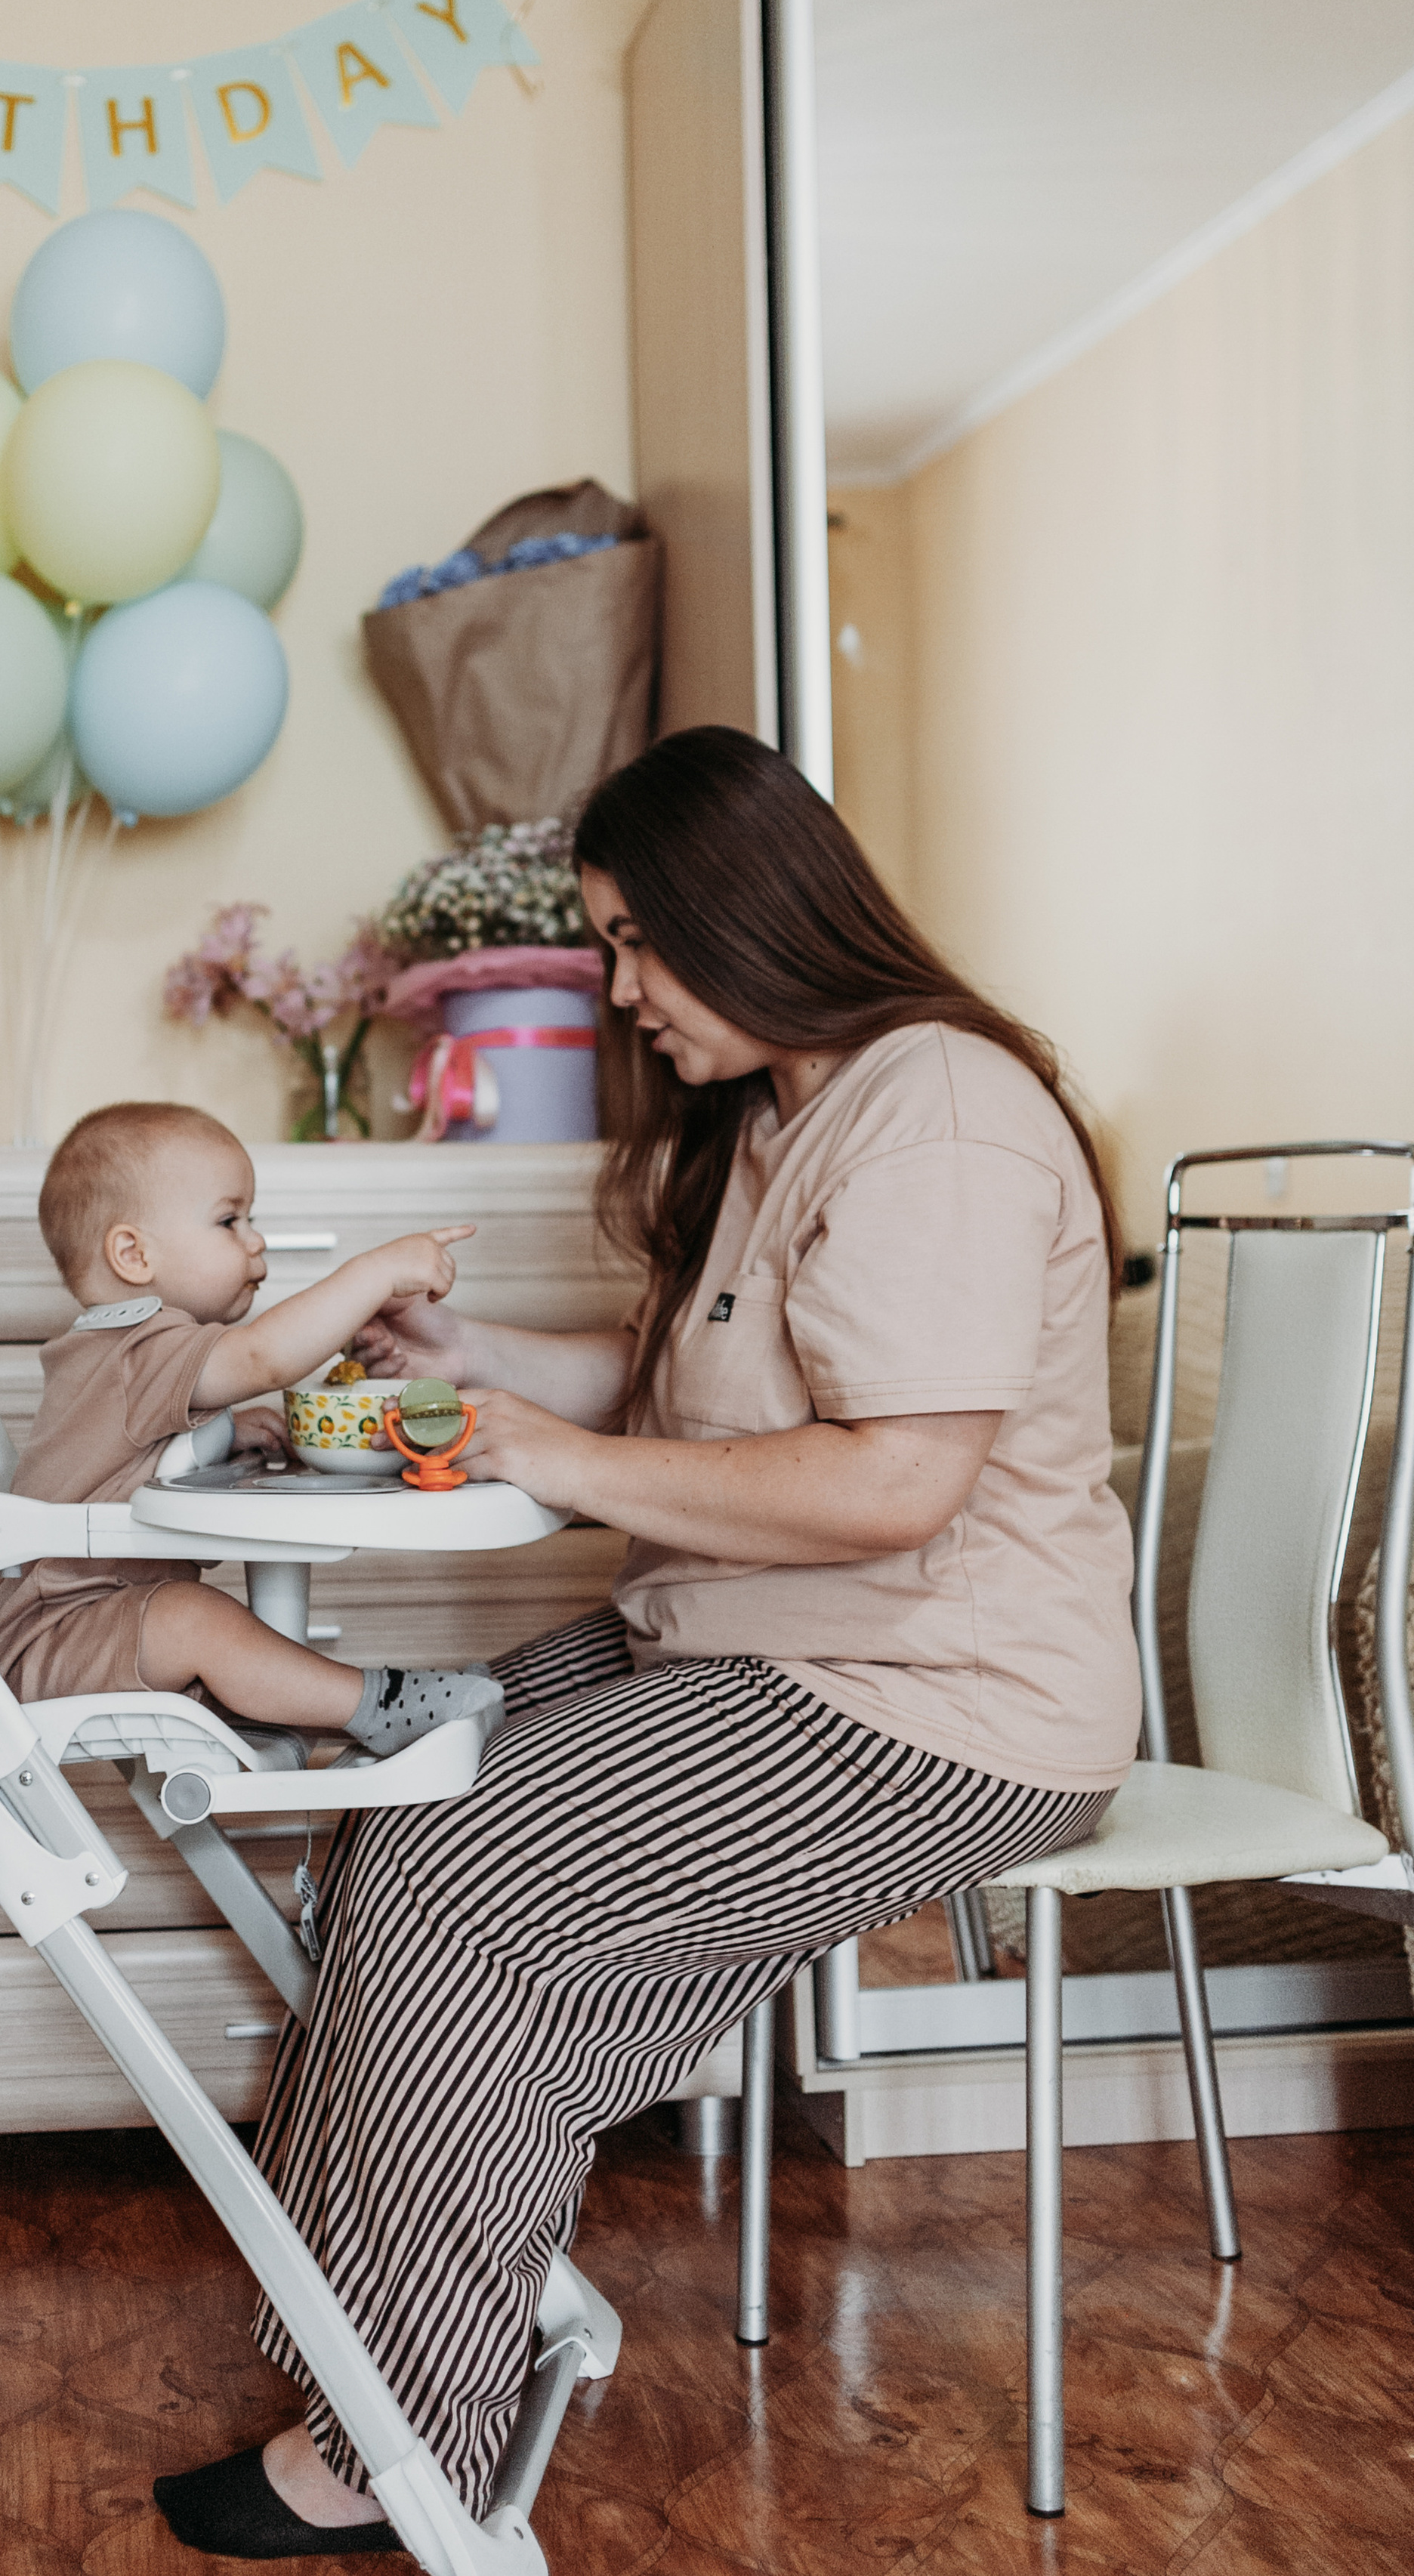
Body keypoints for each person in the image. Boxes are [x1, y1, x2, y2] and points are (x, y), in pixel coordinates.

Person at [152, 725, 1142, 2560]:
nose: (615, 989)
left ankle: (398, 2443)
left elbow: (891, 1481)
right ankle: (393, 2341)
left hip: (934, 1693)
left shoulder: (931, 1104)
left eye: (631, 941)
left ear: (742, 913)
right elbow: (695, 1388)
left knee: (460, 1864)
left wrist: (545, 1454)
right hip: (748, 1636)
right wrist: (486, 1374)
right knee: (404, 1764)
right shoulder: (774, 1113)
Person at [0, 1101, 503, 1758]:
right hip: (45, 1645)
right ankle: (381, 1703)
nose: (255, 1240)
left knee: (194, 1619)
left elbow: (136, 1454)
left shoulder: (130, 1353)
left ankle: (363, 1715)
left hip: (92, 1625)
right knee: (196, 1619)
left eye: (251, 1219)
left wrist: (225, 1433)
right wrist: (375, 1272)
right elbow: (264, 1356)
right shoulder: (133, 1344)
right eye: (229, 1220)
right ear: (133, 1253)